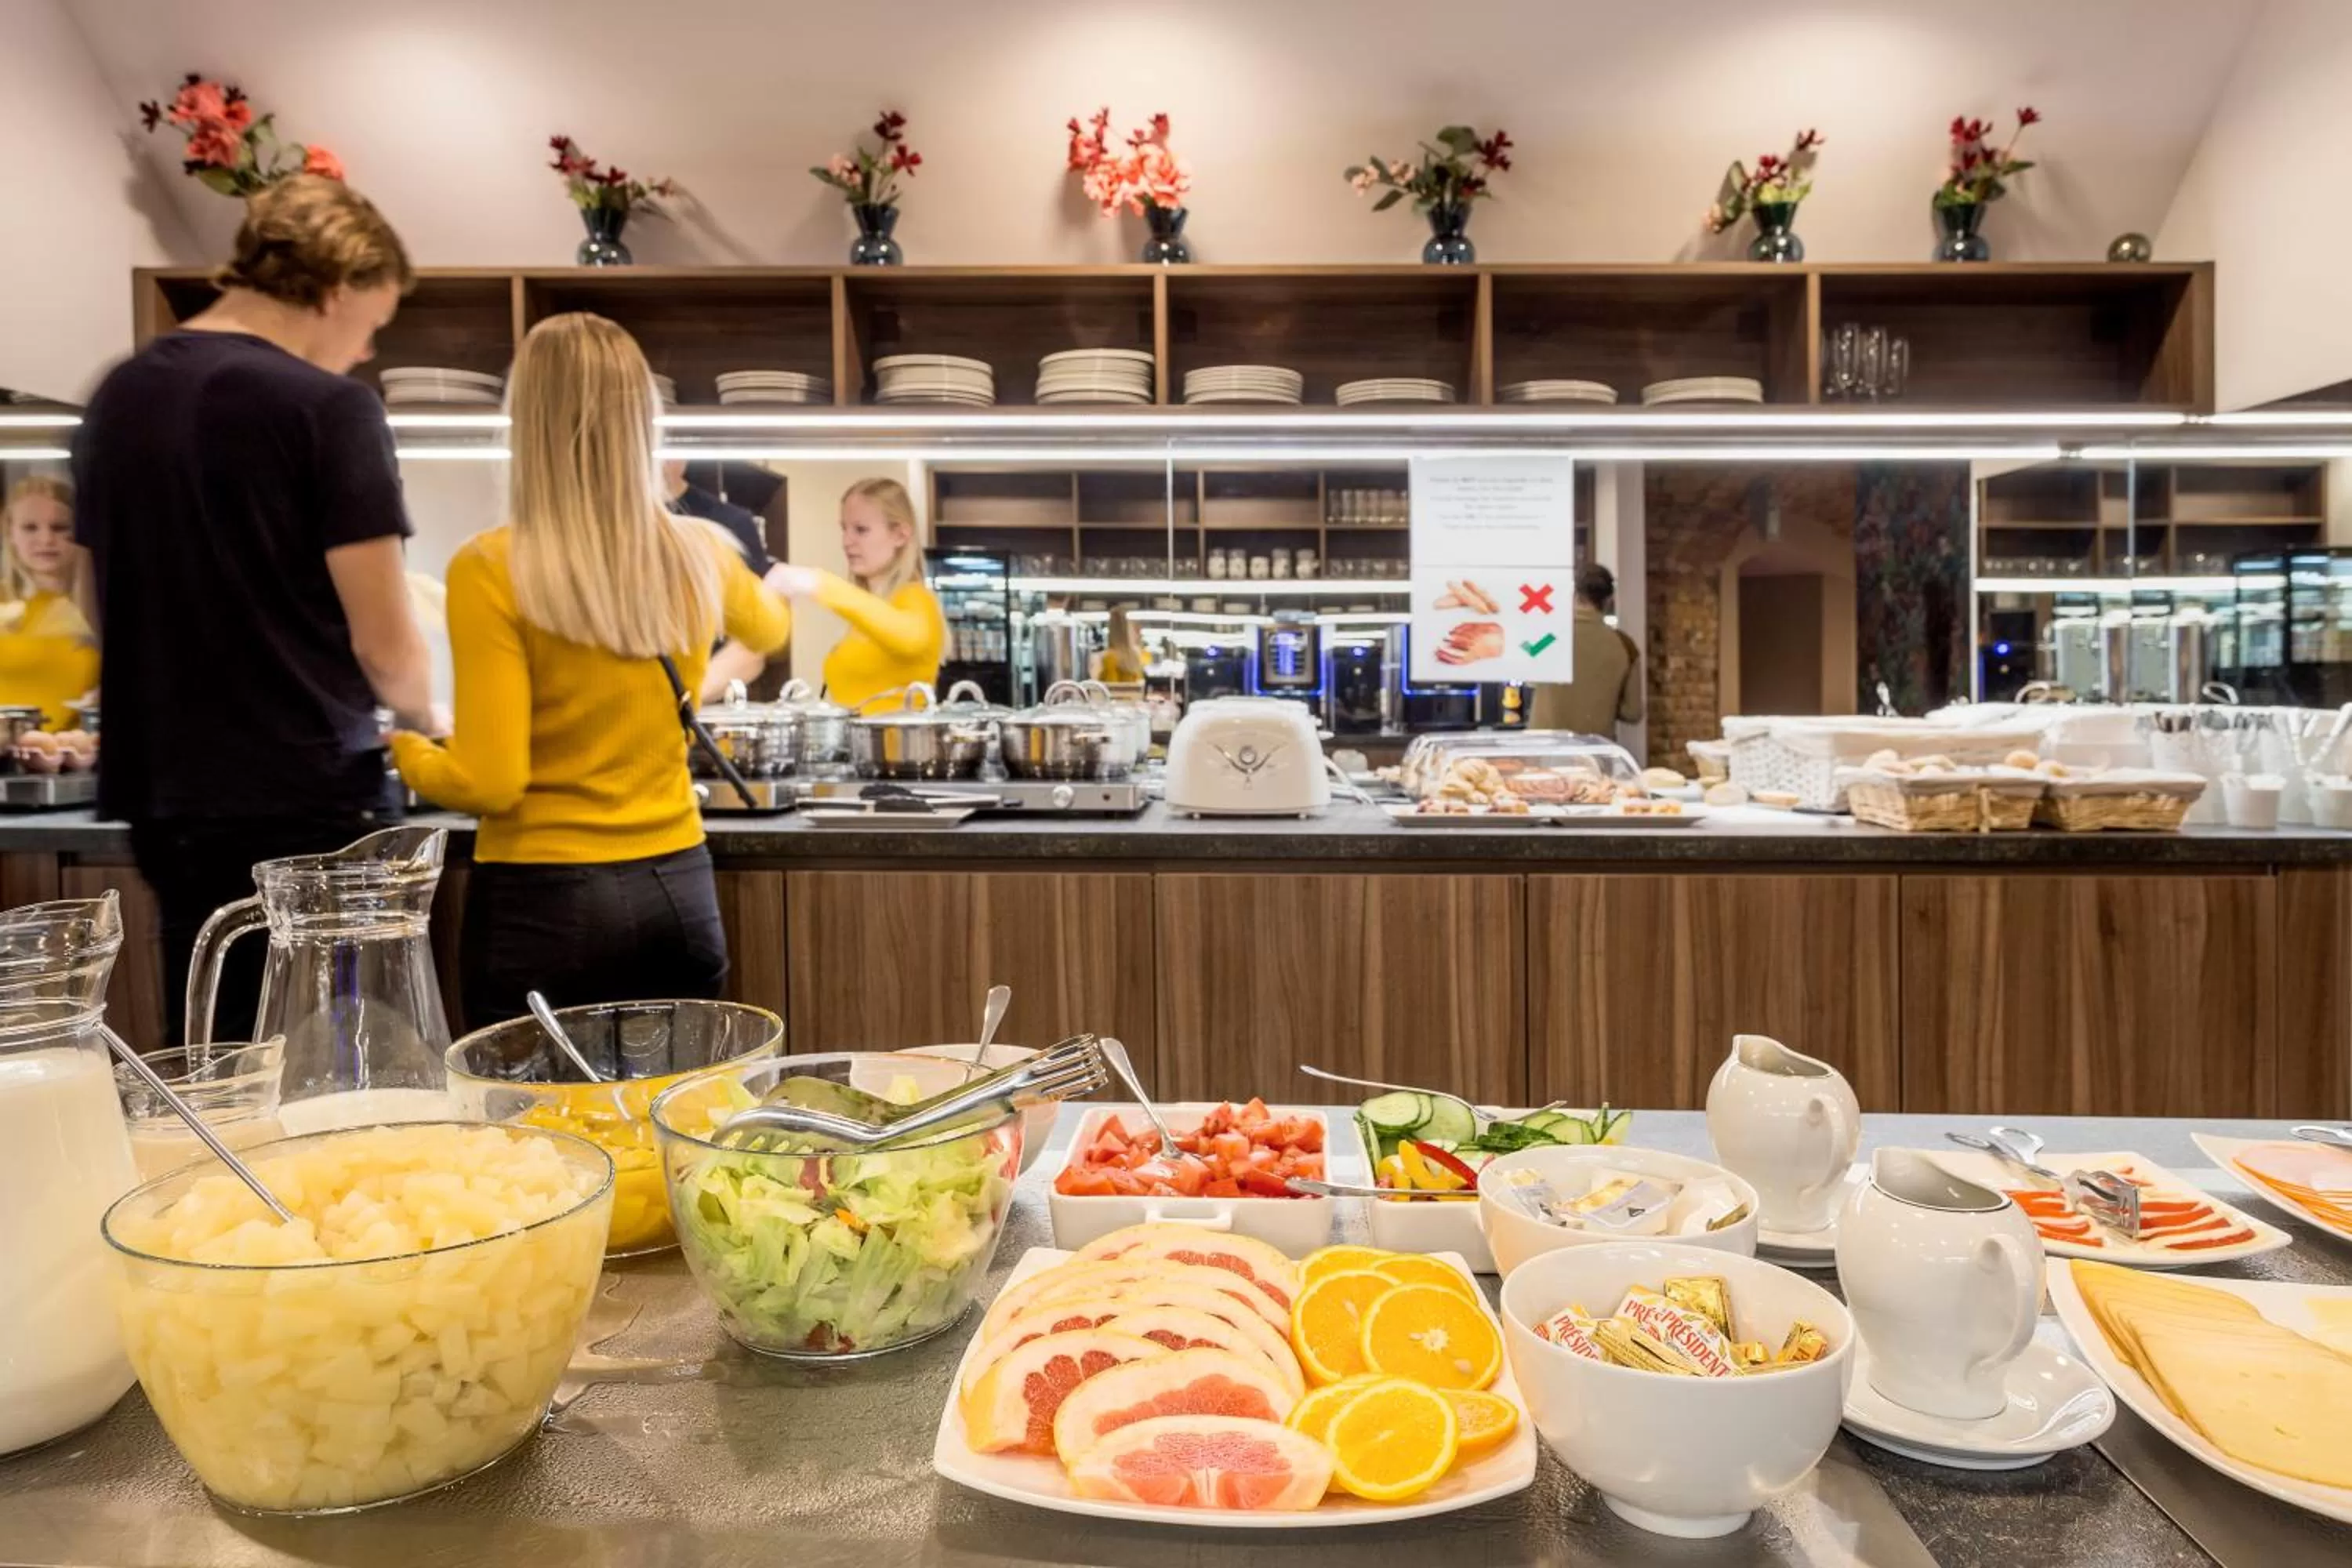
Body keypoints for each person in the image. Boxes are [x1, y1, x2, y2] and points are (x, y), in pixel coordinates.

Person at [72, 175, 435, 1044]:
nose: (361, 352)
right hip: (301, 790)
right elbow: (386, 646)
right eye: (372, 327)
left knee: (214, 1039)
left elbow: (94, 603)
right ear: (339, 288)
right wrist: (430, 715)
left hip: (165, 789)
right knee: (319, 1064)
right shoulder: (328, 407)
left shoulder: (119, 392)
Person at [390, 313, 792, 1029]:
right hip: (678, 885)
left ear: (529, 425)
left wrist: (409, 745)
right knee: (684, 1124)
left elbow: (490, 781)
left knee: (534, 1133)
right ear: (643, 422)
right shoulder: (696, 549)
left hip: (542, 899)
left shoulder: (491, 567)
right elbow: (771, 625)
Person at [764, 476, 943, 710]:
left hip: (898, 746)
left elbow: (911, 638)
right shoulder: (870, 611)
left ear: (900, 535)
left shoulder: (916, 599)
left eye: (861, 530)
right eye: (844, 529)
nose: (846, 541)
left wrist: (817, 583)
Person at [0, 477, 100, 730]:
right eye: (30, 528)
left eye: (59, 527)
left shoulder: (102, 606)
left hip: (81, 757)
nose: (46, 539)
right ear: (10, 533)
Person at [1529, 564, 1646, 738]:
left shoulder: (1547, 637)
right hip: (1594, 754)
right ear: (1609, 600)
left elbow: (1530, 679)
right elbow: (1633, 712)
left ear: (1574, 595)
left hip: (1545, 752)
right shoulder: (1625, 645)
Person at [1094, 604, 1145, 684]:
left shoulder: (1108, 657)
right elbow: (1139, 683)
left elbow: (1111, 686)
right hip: (1133, 696)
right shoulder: (1135, 655)